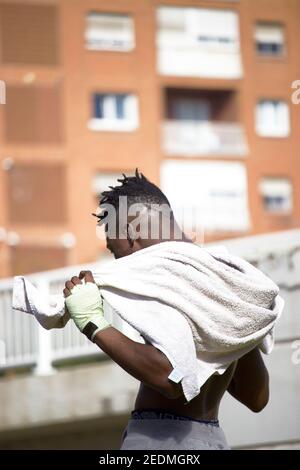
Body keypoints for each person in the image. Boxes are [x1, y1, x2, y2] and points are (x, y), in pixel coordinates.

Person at [63, 169, 269, 450]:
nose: (117, 259)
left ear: (131, 233)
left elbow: (171, 378)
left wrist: (93, 324)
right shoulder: (221, 278)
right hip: (212, 440)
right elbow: (256, 397)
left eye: (114, 250)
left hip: (160, 442)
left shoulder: (168, 277)